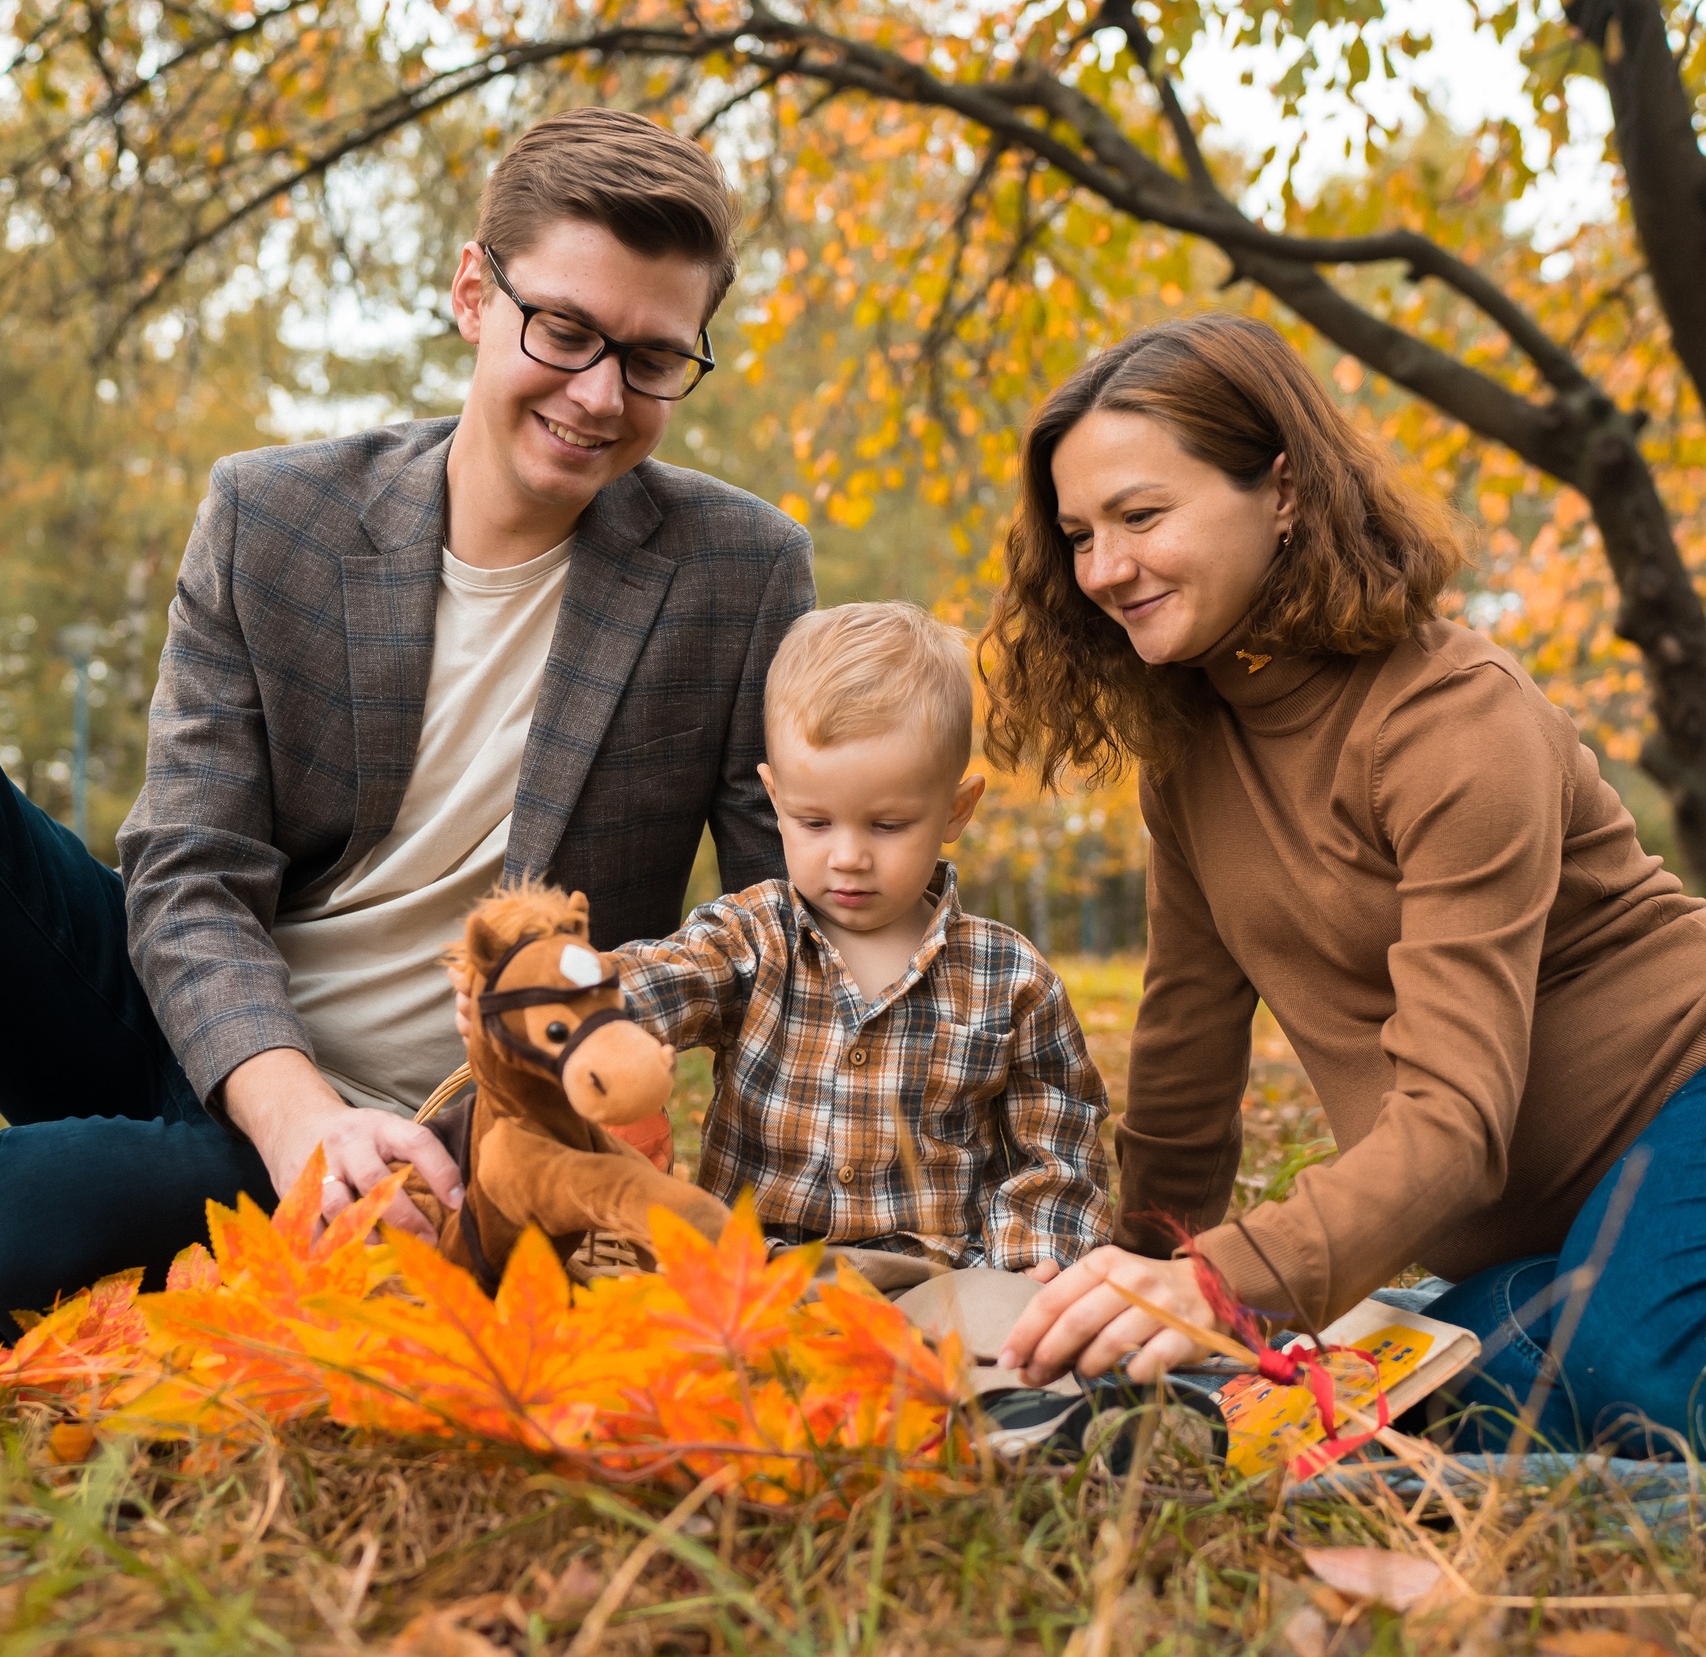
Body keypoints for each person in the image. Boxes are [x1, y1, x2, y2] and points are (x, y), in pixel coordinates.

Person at [0, 108, 814, 1322]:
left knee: (54, 1207)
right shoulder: (270, 515)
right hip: (210, 1033)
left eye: (651, 359)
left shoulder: (740, 570)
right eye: (567, 330)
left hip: (437, 1144)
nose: (600, 394)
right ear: (474, 292)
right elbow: (188, 869)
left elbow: (785, 926)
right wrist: (296, 1118)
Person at [985, 314, 1706, 1453]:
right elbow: (1185, 1043)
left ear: (1279, 491)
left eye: (1140, 514)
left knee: (1635, 1376)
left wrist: (1232, 1284)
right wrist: (1141, 1273)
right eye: (1078, 533)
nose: (1101, 568)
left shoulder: (1451, 719)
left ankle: (1591, 1331)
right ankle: (1565, 1315)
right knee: (1385, 1388)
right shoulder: (1191, 757)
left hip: (1688, 1098)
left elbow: (1456, 1116)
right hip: (1542, 1239)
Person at [523, 602, 1112, 1325]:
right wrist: (561, 998)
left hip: (936, 1278)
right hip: (757, 1269)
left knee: (1008, 1336)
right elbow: (662, 978)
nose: (848, 857)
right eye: (814, 822)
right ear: (775, 800)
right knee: (674, 1336)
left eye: (888, 825)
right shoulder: (751, 936)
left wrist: (1036, 1253)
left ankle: (999, 1406)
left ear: (957, 810)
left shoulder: (1008, 976)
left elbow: (1057, 1140)